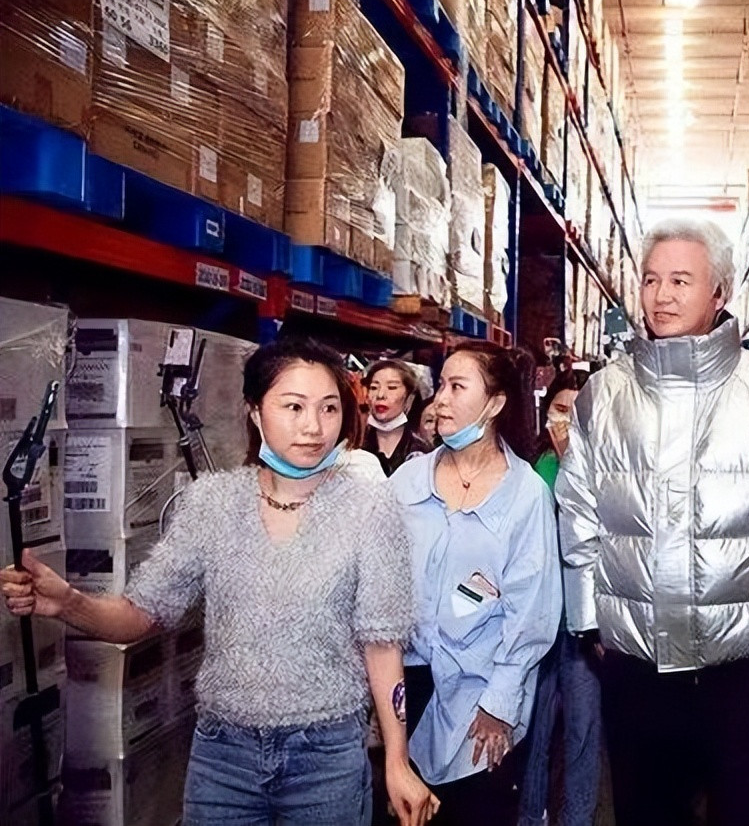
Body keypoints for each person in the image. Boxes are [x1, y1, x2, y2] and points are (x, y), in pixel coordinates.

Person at [1, 337, 436, 826]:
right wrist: (67, 603)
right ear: (256, 412)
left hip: (326, 756)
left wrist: (397, 760)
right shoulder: (212, 504)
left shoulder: (369, 508)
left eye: (329, 408)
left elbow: (382, 645)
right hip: (223, 758)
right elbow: (142, 613)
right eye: (294, 406)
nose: (314, 426)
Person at [556, 216, 749, 826]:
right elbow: (577, 509)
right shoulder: (604, 395)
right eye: (650, 280)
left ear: (720, 292)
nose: (661, 295)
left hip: (748, 670)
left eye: (680, 280)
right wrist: (588, 622)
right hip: (638, 665)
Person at [392, 341, 561, 826]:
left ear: (495, 403)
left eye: (457, 387)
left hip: (480, 694)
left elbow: (531, 614)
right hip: (406, 684)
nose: (440, 400)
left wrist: (499, 704)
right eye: (441, 385)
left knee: (474, 810)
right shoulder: (406, 482)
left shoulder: (525, 495)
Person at [518, 368, 602, 826]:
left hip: (583, 621)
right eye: (560, 409)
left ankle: (577, 818)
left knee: (582, 730)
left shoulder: (608, 468)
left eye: (578, 411)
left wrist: (575, 463)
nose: (566, 420)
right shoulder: (533, 465)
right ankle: (531, 815)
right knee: (533, 727)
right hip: (539, 618)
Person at [362, 359, 430, 476]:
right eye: (374, 387)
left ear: (409, 398)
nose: (380, 395)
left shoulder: (422, 453)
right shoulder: (353, 449)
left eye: (392, 387)